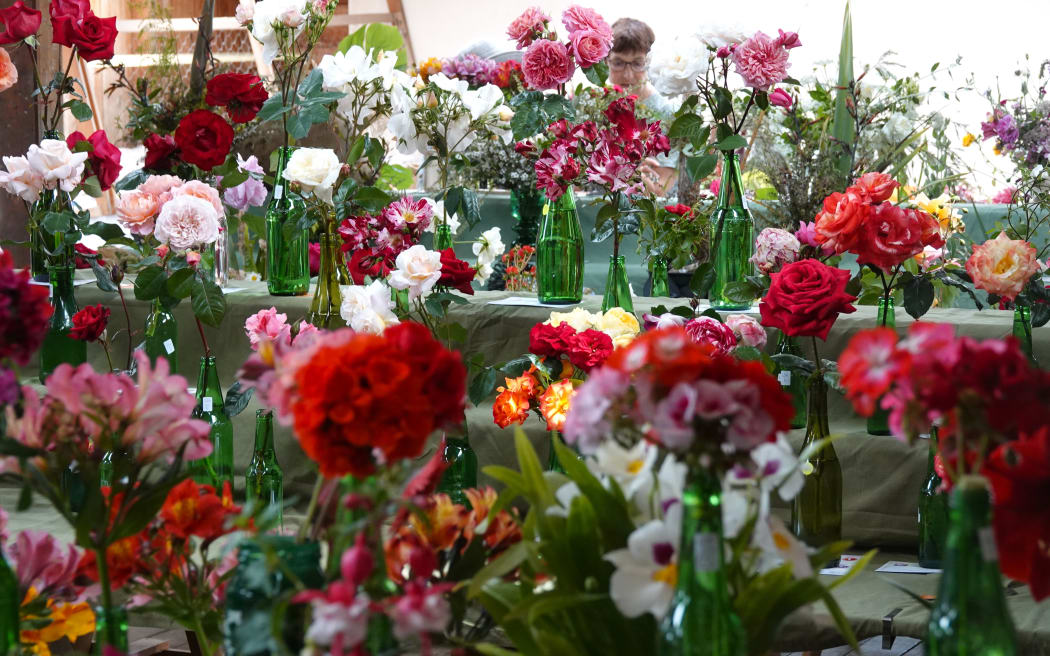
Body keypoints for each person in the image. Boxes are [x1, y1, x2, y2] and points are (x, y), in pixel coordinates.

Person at [608, 17, 676, 196]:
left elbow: (661, 190)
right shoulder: (595, 111)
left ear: (648, 62)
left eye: (637, 63)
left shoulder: (667, 114)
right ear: (605, 61)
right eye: (618, 62)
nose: (628, 75)